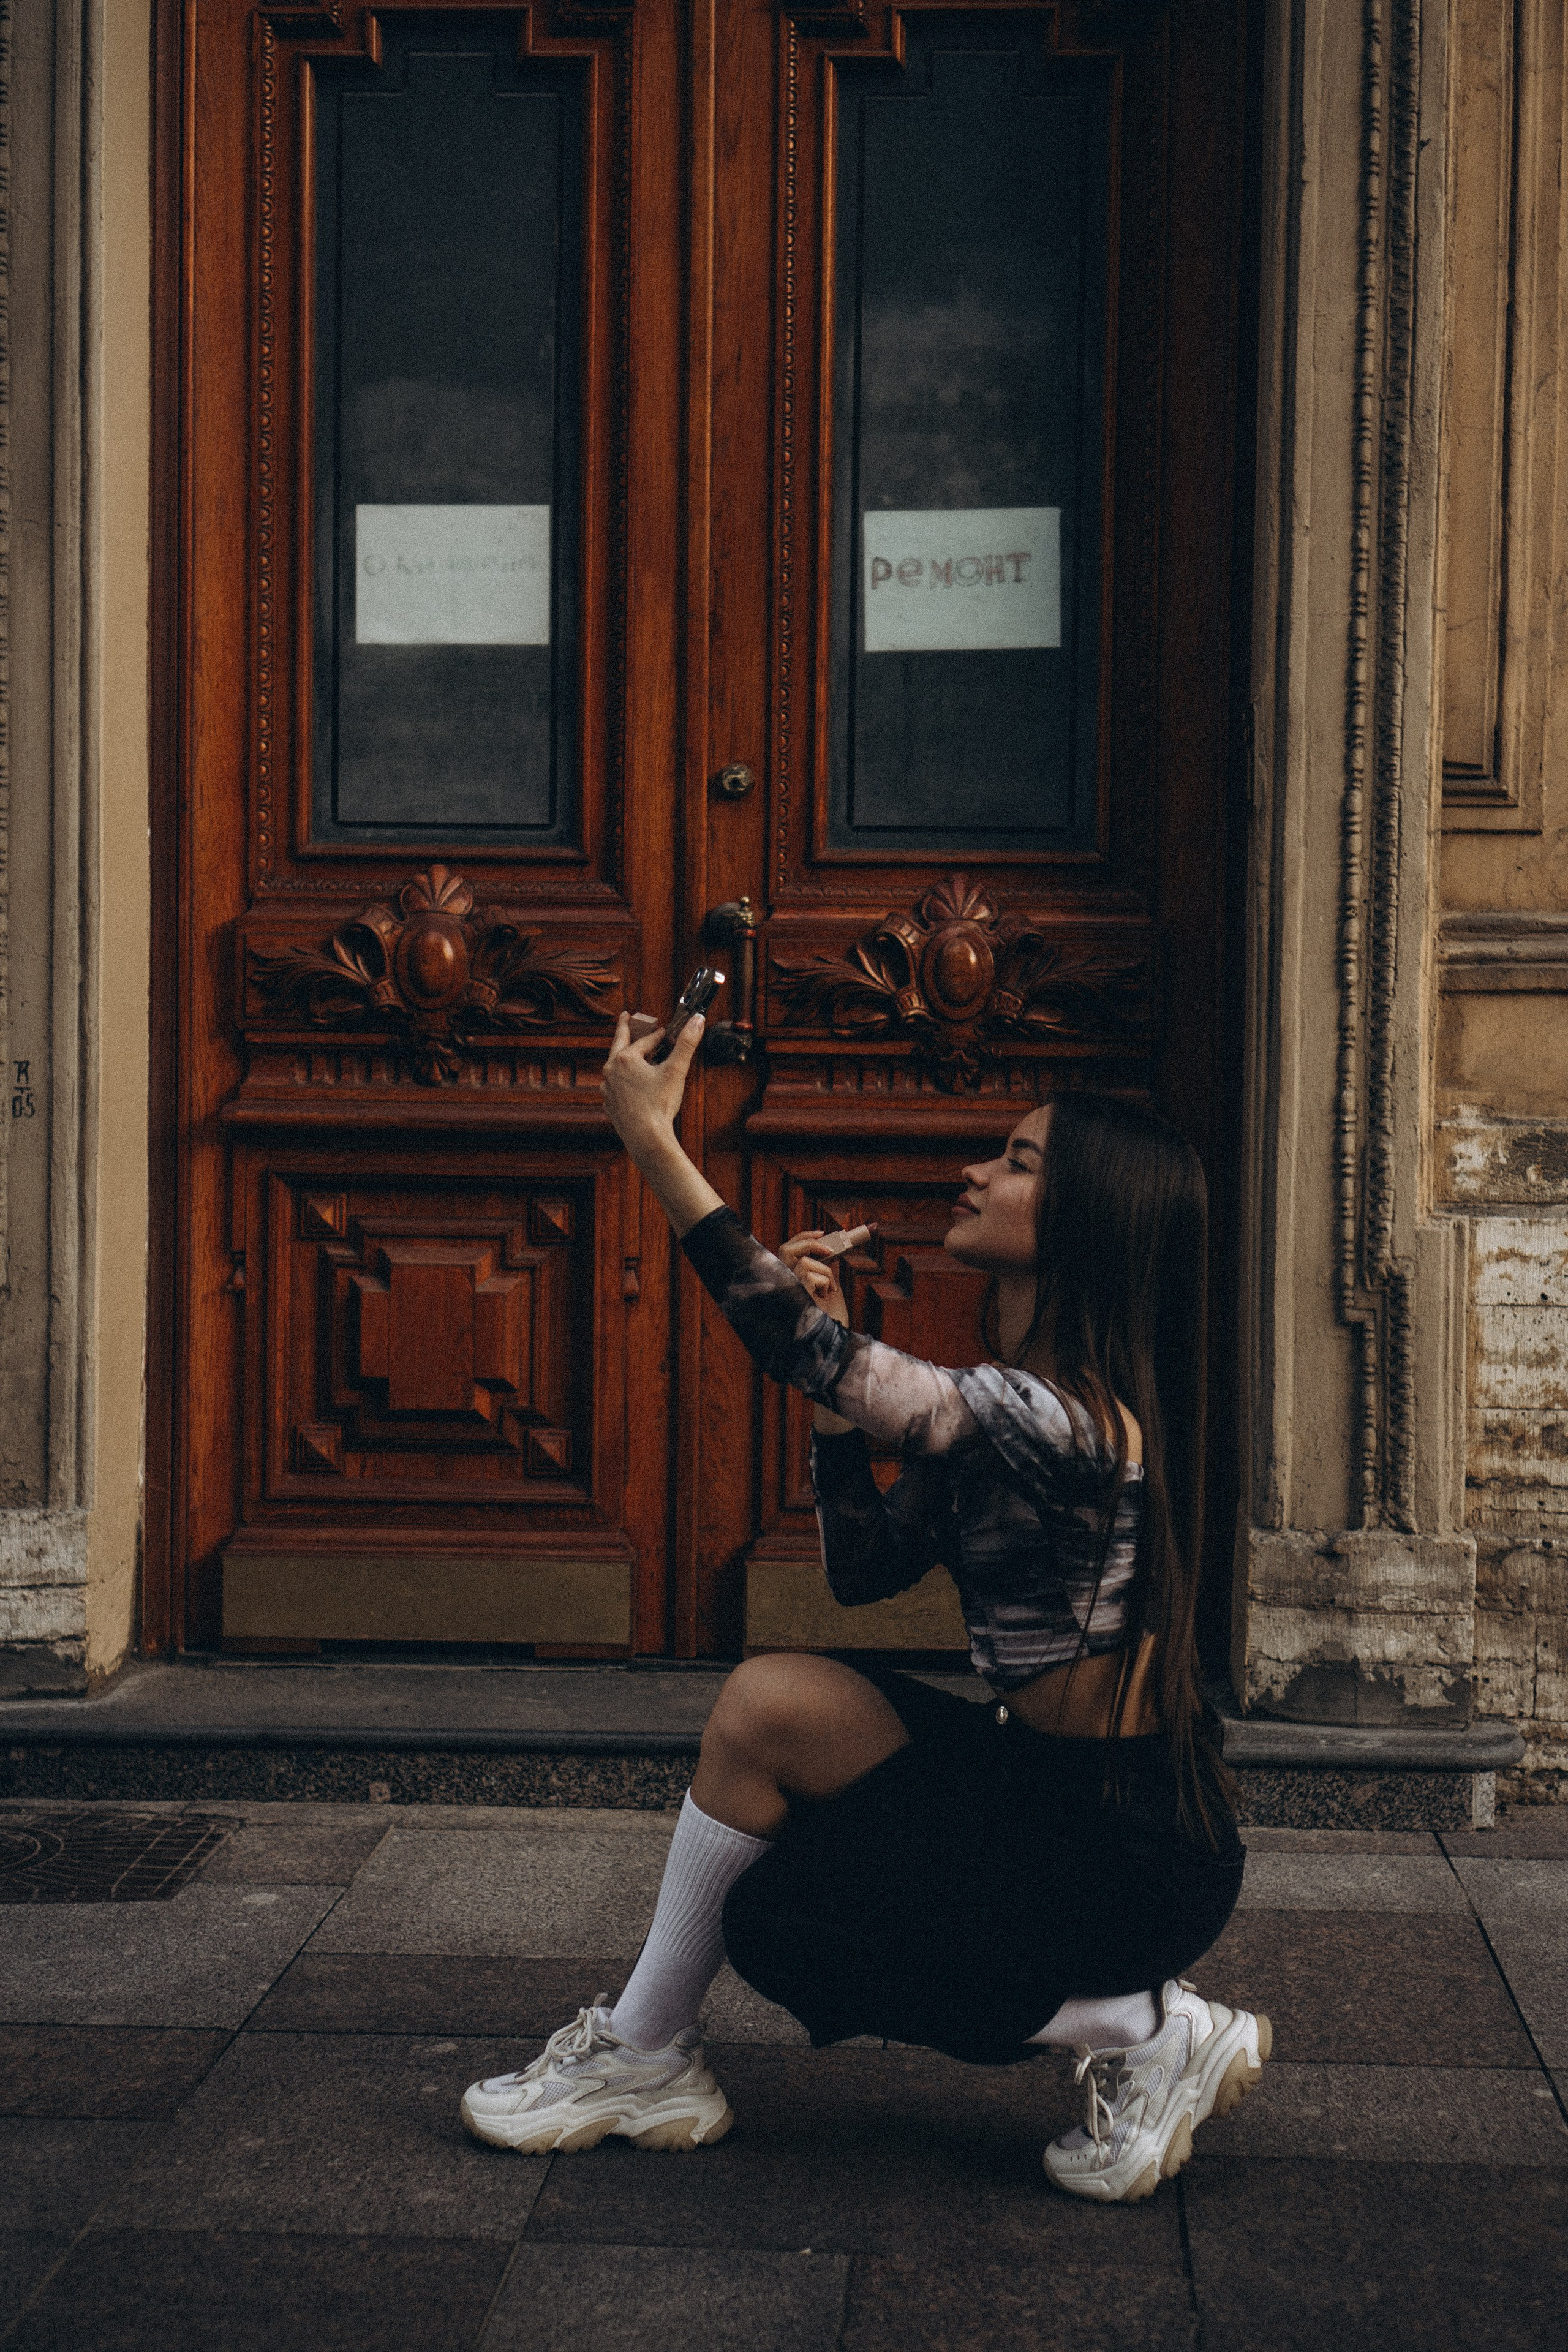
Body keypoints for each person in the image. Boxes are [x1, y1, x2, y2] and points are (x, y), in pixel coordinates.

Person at [459, 1006, 1271, 2203]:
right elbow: (865, 1569)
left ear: (1081, 1224)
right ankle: (642, 2055)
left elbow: (790, 1342)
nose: (974, 1171)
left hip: (1123, 1848)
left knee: (791, 1928)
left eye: (1016, 1162)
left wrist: (653, 1145)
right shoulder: (1015, 1404)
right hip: (1040, 1786)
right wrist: (840, 1407)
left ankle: (1140, 2030)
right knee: (765, 1707)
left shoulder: (1067, 1421)